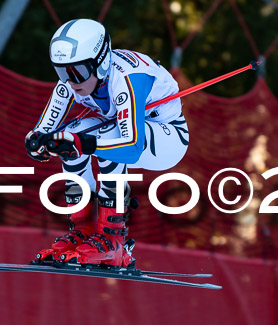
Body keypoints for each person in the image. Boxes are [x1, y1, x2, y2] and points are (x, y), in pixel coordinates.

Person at [25, 18, 189, 268]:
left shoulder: (127, 79)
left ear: (99, 63)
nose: (71, 82)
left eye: (77, 72)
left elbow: (131, 146)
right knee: (72, 133)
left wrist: (84, 144)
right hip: (124, 131)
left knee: (100, 137)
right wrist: (38, 141)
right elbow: (46, 129)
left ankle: (112, 241)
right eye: (61, 72)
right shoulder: (73, 79)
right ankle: (83, 230)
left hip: (168, 137)